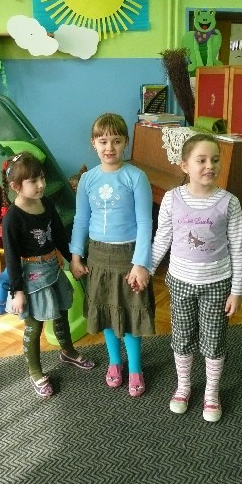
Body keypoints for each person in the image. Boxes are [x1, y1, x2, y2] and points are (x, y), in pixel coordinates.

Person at [150, 133, 242, 421]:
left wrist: (237, 290)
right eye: (201, 160)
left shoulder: (229, 202)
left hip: (217, 284)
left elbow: (238, 247)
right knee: (182, 338)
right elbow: (162, 238)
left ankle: (211, 393)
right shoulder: (172, 199)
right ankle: (184, 386)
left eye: (215, 160)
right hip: (180, 283)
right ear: (184, 165)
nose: (209, 166)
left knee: (214, 341)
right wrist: (147, 269)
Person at [69, 113, 155, 398]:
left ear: (125, 142)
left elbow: (145, 222)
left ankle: (135, 368)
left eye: (116, 141)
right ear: (93, 143)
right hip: (98, 256)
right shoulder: (87, 180)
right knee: (105, 312)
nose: (110, 147)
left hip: (128, 257)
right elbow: (81, 220)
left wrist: (141, 263)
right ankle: (115, 363)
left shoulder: (136, 177)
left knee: (130, 314)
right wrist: (76, 254)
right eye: (103, 141)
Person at [1, 151, 95, 399]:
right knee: (35, 325)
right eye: (33, 181)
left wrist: (74, 260)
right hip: (32, 277)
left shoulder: (47, 204)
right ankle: (35, 372)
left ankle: (68, 352)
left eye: (42, 177)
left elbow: (60, 237)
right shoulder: (12, 219)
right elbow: (11, 258)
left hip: (53, 268)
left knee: (61, 312)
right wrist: (17, 291)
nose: (41, 184)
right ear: (16, 186)